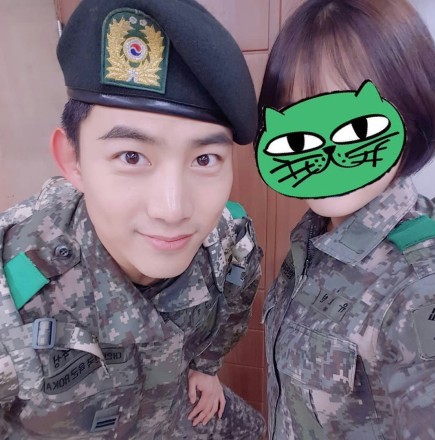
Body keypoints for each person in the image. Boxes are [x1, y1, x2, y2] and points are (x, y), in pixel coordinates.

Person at [0, 0, 266, 438]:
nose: (173, 210)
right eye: (131, 156)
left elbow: (240, 287)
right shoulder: (12, 291)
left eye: (204, 159)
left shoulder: (228, 239)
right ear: (73, 160)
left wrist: (207, 364)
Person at [257, 0, 435, 438]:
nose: (324, 154)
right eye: (299, 131)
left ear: (412, 112)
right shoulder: (313, 238)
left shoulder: (421, 284)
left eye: (356, 127)